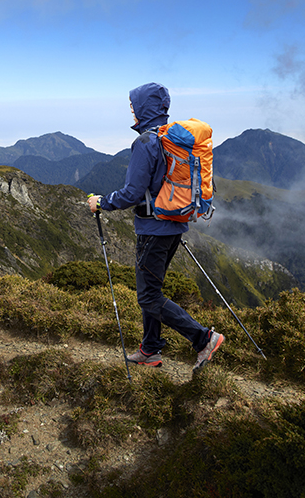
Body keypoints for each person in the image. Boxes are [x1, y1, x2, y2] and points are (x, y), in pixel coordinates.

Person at [87, 82, 224, 374]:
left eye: (134, 105)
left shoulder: (146, 143)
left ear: (144, 107)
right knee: (153, 290)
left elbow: (132, 193)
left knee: (149, 296)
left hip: (153, 229)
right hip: (174, 225)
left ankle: (203, 339)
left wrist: (101, 202)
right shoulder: (168, 139)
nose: (132, 111)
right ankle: (150, 349)